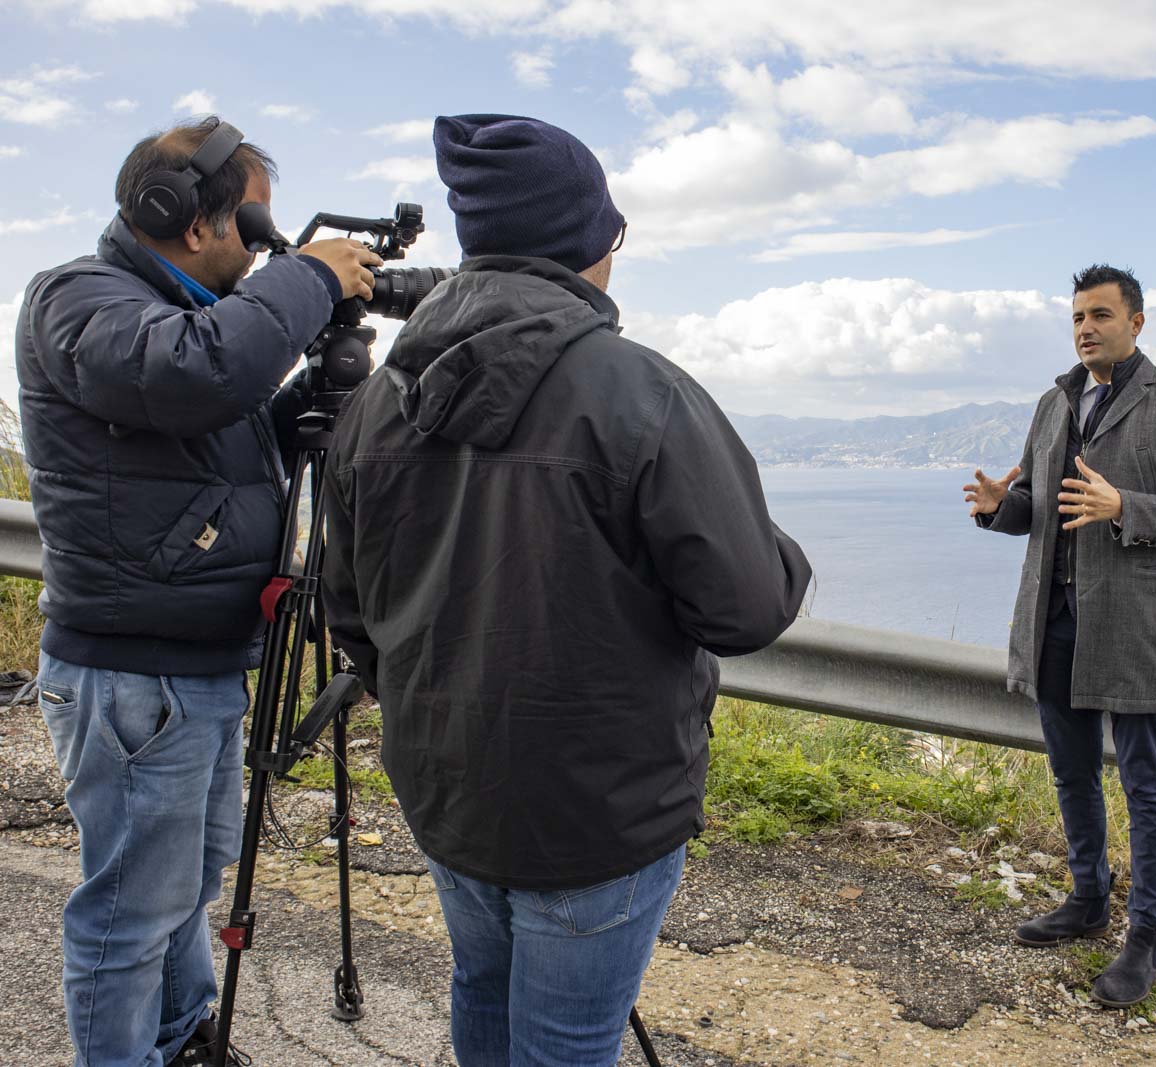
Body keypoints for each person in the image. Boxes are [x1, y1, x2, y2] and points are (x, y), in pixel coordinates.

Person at [320, 113, 812, 1067]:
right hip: (601, 807)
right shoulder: (640, 392)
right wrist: (775, 546)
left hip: (447, 786)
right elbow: (746, 607)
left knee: (482, 991)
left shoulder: (376, 401)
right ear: (591, 241)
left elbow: (353, 610)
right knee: (567, 1040)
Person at [15, 115, 382, 1066]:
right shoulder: (78, 298)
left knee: (184, 888)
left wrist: (289, 412)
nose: (263, 256)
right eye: (254, 231)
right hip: (137, 674)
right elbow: (187, 378)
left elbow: (199, 427)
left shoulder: (174, 318)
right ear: (185, 219)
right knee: (131, 911)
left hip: (203, 669)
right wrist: (311, 272)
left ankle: (180, 1039)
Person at [964, 264, 1156, 1007]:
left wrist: (1124, 506)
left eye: (1101, 315)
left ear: (1136, 322)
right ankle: (1088, 897)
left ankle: (1147, 934)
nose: (1085, 328)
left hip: (1138, 624)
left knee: (1145, 782)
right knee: (1071, 770)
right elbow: (1038, 511)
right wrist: (997, 508)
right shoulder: (1055, 403)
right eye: (1077, 316)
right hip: (1055, 618)